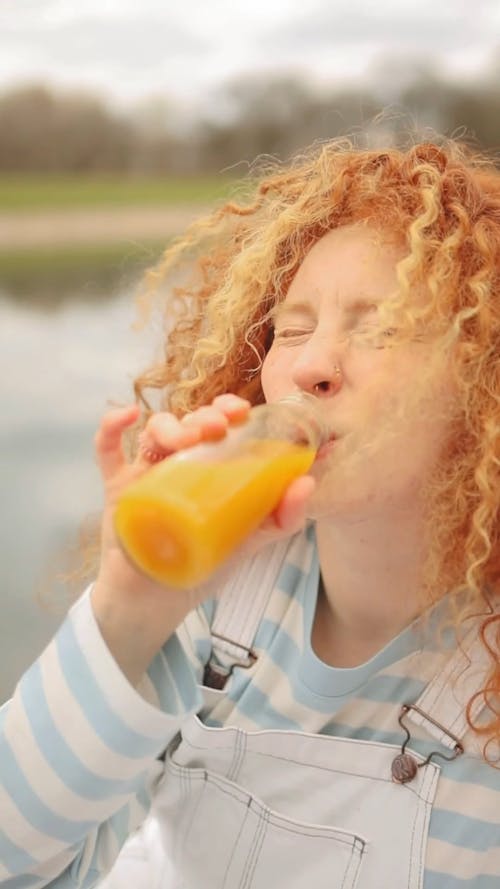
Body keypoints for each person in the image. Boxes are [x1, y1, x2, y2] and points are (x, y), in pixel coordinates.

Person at [1, 138, 499, 889]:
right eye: (292, 329)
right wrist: (127, 613)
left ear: (481, 377)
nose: (311, 365)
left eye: (381, 326)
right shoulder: (212, 605)